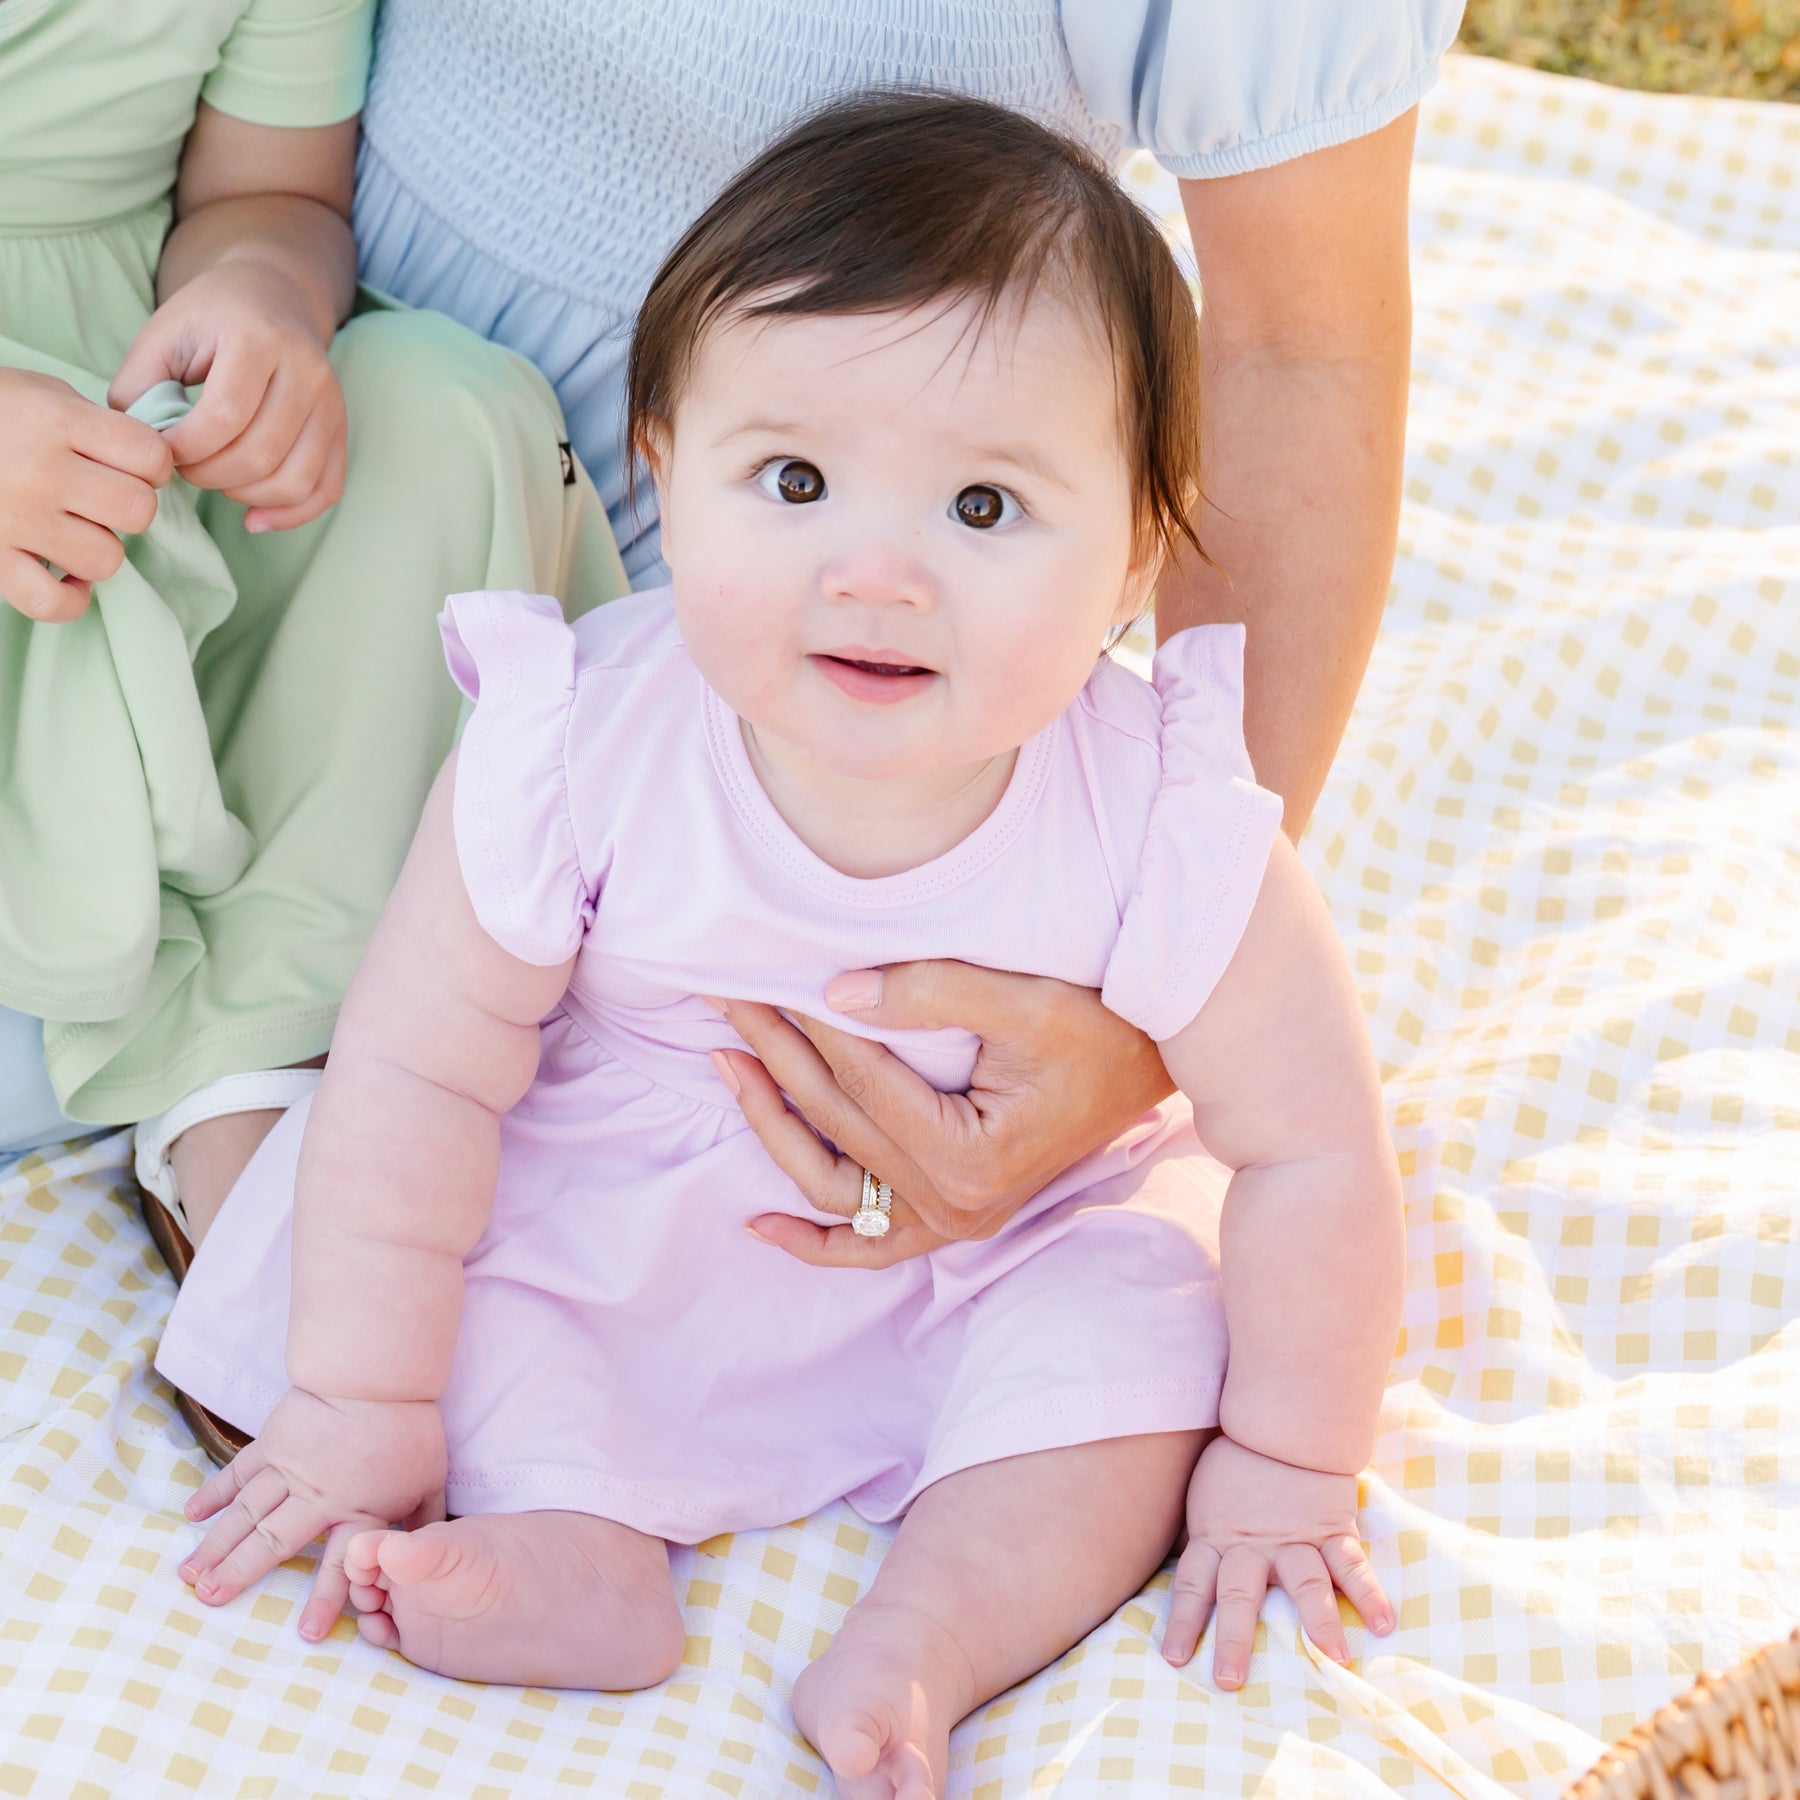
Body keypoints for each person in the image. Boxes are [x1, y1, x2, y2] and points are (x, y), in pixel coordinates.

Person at [158, 97, 1406, 1799]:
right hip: (634, 1204)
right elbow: (423, 1068)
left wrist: (1288, 1461)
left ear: (1135, 552)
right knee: (433, 1274)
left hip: (1012, 1232)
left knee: (1151, 1336)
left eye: (985, 508)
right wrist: (362, 1400)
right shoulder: (587, 734)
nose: (878, 574)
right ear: (666, 466)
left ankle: (931, 1636)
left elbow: (1316, 1148)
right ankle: (579, 1551)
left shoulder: (1162, 808)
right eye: (798, 482)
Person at [345, 0, 1458, 1305]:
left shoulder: (845, 600)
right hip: (337, 437)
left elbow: (1297, 340)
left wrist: (1162, 977)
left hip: (776, 629)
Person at [0, 0, 624, 1227]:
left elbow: (264, 192)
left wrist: (261, 294)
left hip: (126, 406)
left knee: (440, 411)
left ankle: (253, 1048)